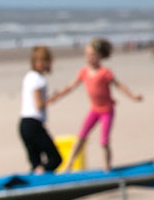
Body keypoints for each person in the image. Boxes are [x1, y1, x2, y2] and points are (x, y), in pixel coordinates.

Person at [48, 37, 143, 171]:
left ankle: (107, 167)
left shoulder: (105, 73)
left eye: (93, 55)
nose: (89, 58)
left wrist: (133, 96)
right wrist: (57, 96)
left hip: (107, 111)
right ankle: (69, 165)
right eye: (87, 55)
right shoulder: (84, 72)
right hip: (94, 110)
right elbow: (70, 87)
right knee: (80, 137)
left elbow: (119, 86)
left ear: (100, 56)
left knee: (104, 141)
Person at [19, 46, 62, 173]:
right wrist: (52, 99)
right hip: (33, 124)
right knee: (56, 159)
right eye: (41, 61)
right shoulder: (39, 80)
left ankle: (37, 177)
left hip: (23, 123)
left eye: (45, 61)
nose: (44, 64)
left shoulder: (28, 76)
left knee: (36, 164)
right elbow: (38, 105)